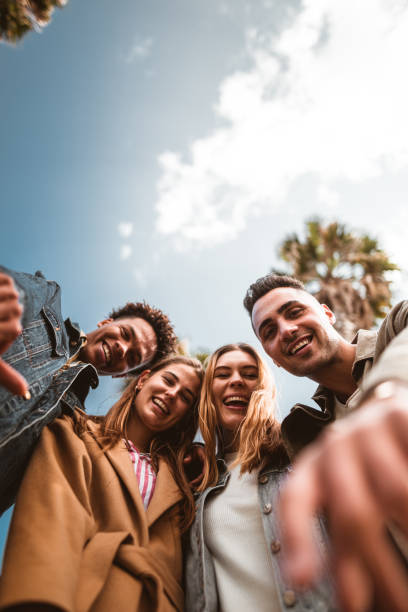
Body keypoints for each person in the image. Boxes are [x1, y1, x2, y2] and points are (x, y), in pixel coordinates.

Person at [244, 273, 408, 611]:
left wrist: (388, 390)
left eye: (293, 312)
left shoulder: (395, 333)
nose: (286, 330)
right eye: (269, 332)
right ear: (273, 357)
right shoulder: (305, 436)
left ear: (326, 313)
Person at [0, 354, 203, 612]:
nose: (173, 394)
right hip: (85, 594)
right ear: (143, 379)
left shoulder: (185, 480)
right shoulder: (75, 431)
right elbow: (52, 516)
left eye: (186, 397)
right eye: (169, 380)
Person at [0, 265, 177, 513]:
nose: (122, 349)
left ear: (122, 373)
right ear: (106, 322)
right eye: (125, 334)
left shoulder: (74, 426)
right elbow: (17, 291)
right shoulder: (47, 302)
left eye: (133, 356)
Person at [185, 343, 336, 612]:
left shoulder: (300, 454)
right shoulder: (197, 483)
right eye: (222, 374)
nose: (236, 380)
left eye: (249, 373)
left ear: (263, 386)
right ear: (208, 392)